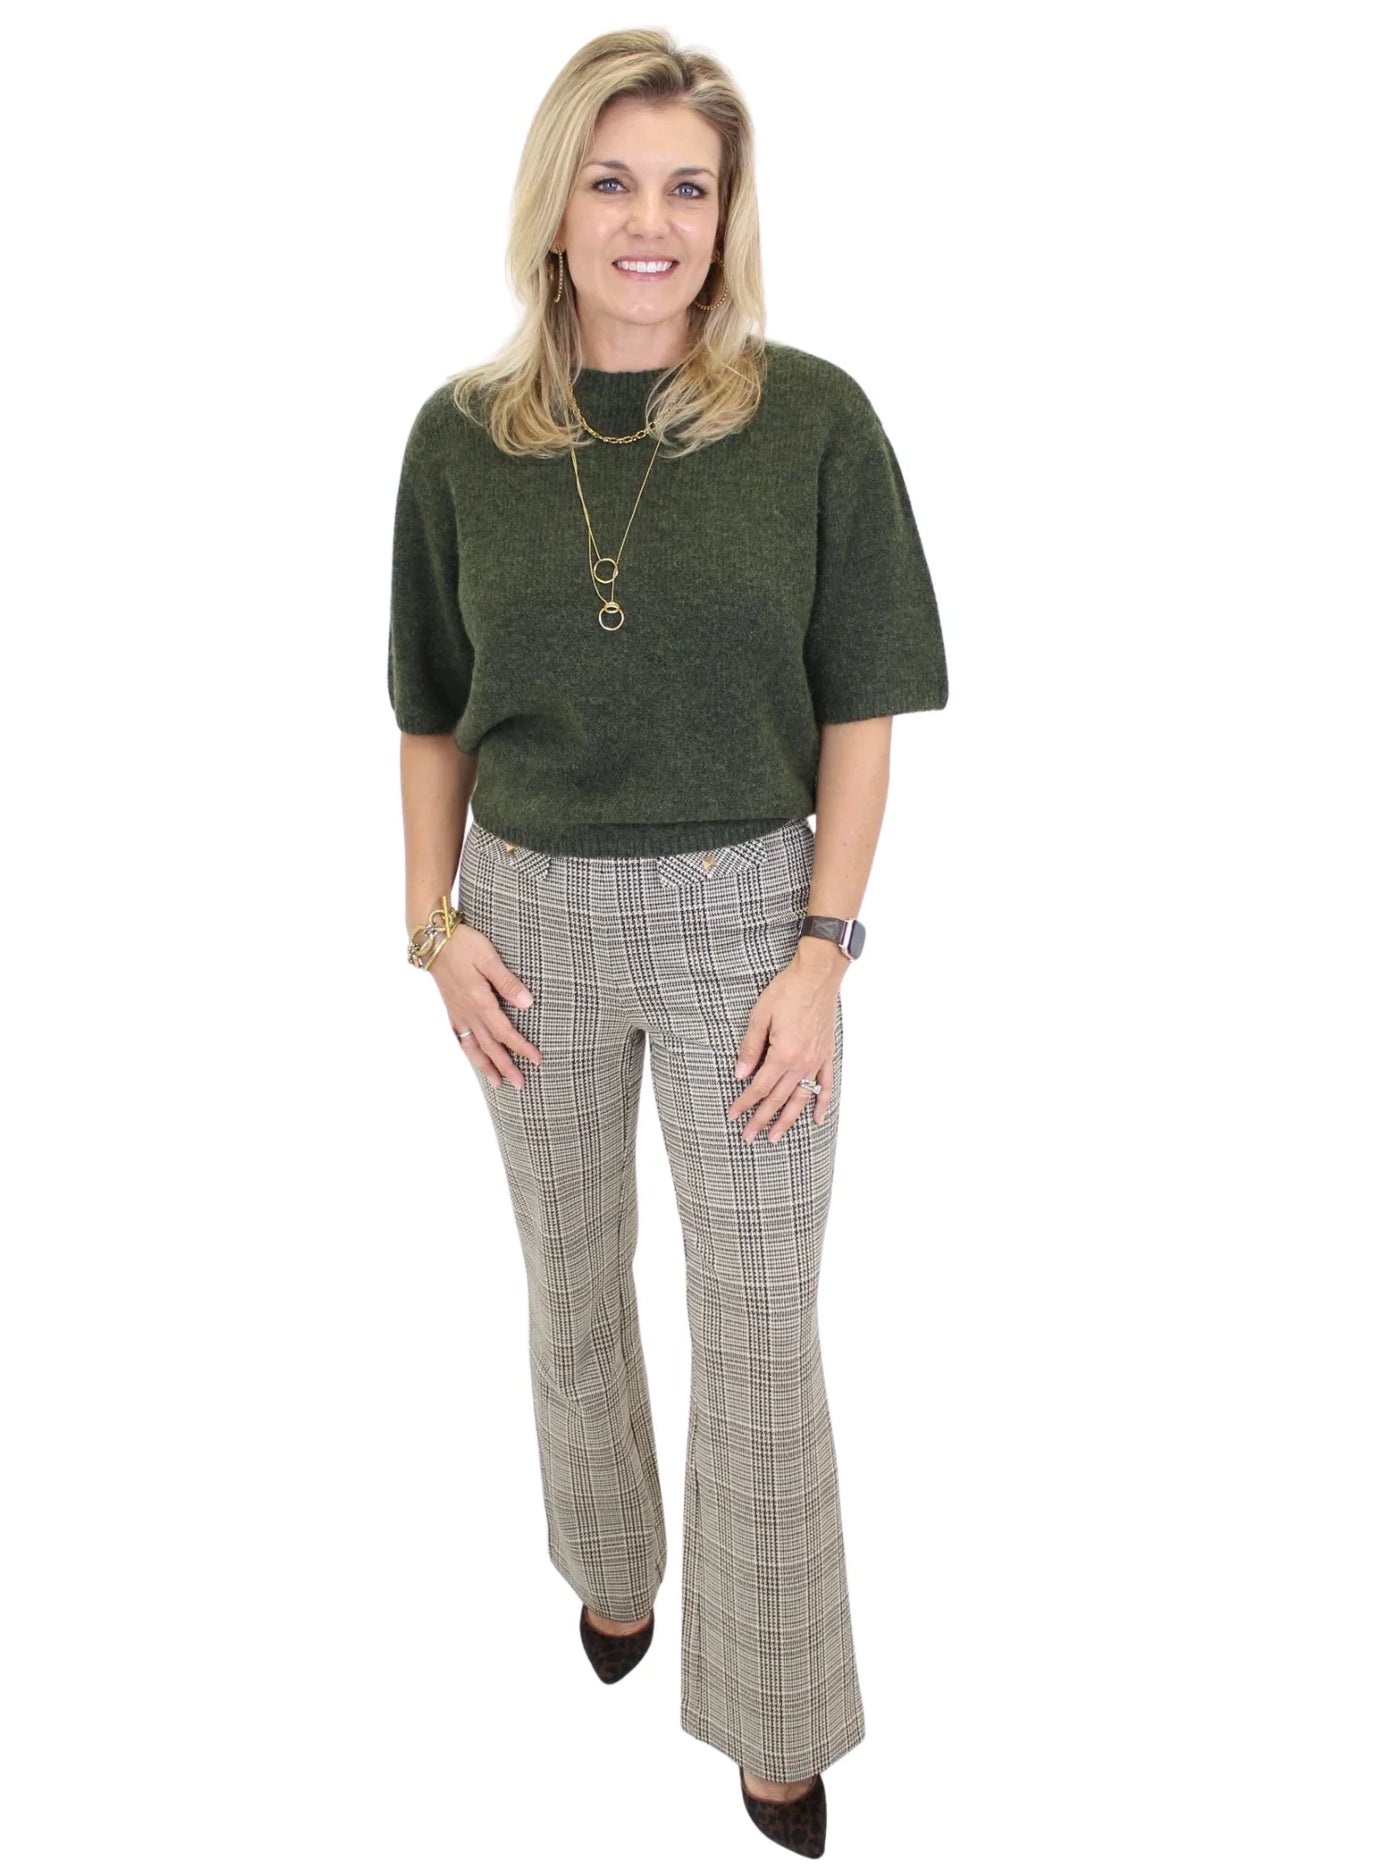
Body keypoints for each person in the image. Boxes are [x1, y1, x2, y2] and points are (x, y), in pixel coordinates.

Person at [387, 29, 948, 1859]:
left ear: (729, 215)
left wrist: (822, 949)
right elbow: (432, 710)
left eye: (688, 187)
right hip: (527, 915)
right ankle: (610, 1568)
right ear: (555, 207)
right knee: (572, 1280)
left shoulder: (814, 419)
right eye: (613, 181)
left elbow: (862, 703)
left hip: (745, 919)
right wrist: (433, 925)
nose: (650, 222)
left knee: (763, 1324)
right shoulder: (461, 439)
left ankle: (777, 1716)